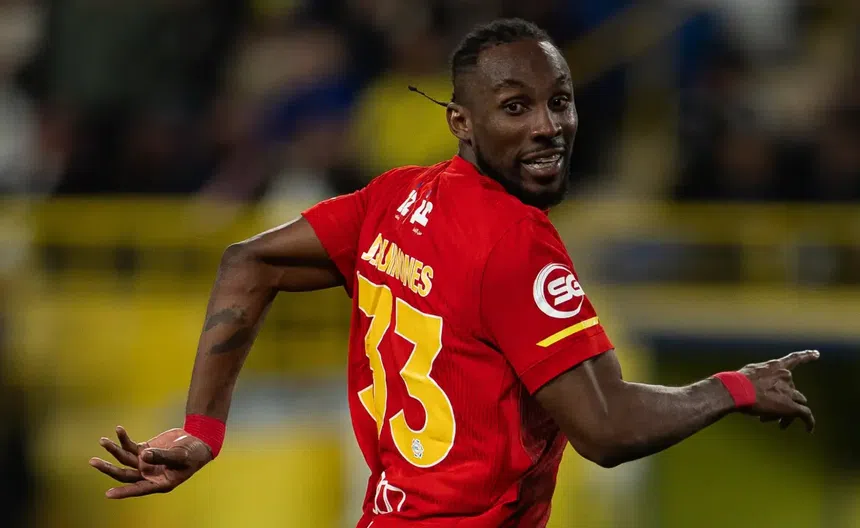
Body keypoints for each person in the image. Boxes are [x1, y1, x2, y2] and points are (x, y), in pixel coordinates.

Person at [89, 18, 818, 527]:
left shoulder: (392, 200)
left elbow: (249, 262)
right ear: (461, 122)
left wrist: (203, 429)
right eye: (515, 107)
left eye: (560, 102)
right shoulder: (516, 244)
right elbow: (606, 427)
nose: (547, 126)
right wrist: (734, 387)